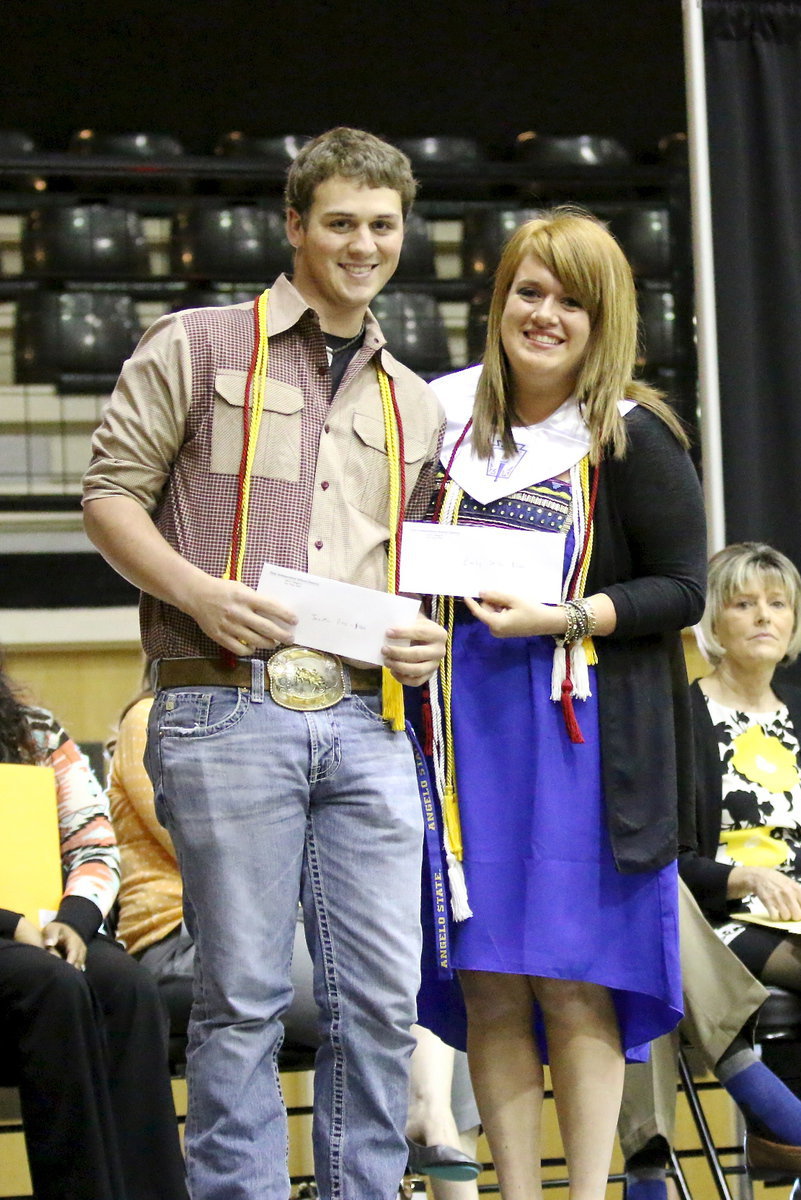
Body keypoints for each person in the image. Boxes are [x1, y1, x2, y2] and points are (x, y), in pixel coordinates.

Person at [81, 126, 447, 1200]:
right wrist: (197, 592)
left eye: (382, 225)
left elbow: (416, 570)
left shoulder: (415, 400)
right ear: (294, 225)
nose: (363, 244)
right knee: (241, 997)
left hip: (369, 717)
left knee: (382, 1002)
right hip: (223, 705)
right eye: (339, 222)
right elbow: (108, 497)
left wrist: (425, 634)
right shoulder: (195, 344)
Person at [414, 207, 707, 1200]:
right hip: (463, 739)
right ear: (497, 301)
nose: (544, 315)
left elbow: (683, 590)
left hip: (580, 742)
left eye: (571, 302)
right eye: (528, 292)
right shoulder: (442, 422)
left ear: (602, 319)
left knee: (572, 981)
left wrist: (565, 616)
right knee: (489, 981)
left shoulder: (631, 434)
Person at [107, 690, 481, 1199]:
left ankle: (425, 1115)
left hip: (364, 701)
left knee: (400, 1003)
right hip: (171, 933)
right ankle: (426, 1115)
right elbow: (200, 849)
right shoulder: (147, 715)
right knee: (250, 1005)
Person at [0, 656, 187, 1200]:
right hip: (11, 937)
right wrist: (12, 925)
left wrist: (75, 921)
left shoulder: (33, 731)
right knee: (51, 983)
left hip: (47, 920)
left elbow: (93, 841)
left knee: (126, 985)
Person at [680, 541, 801, 1200]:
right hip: (720, 915)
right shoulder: (683, 715)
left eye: (777, 604)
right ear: (713, 619)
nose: (764, 616)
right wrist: (744, 878)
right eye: (743, 604)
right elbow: (663, 856)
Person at [619, 879, 801, 1200]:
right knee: (645, 891)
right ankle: (775, 1111)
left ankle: (646, 1180)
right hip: (707, 914)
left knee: (644, 903)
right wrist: (745, 877)